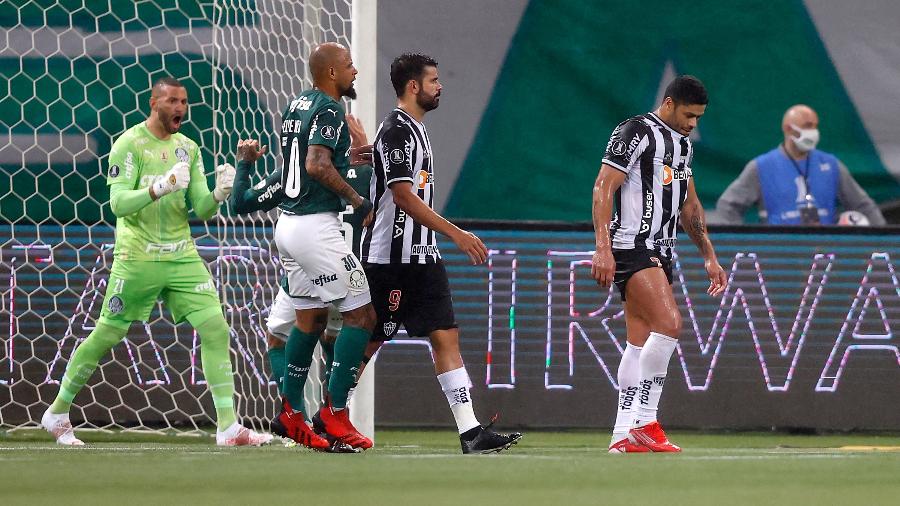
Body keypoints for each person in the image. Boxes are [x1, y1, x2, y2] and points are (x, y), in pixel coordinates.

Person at [40, 77, 272, 446]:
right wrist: (157, 187)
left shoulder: (188, 148)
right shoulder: (129, 144)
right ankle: (56, 411)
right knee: (108, 333)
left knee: (215, 328)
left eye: (184, 101)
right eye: (172, 101)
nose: (180, 107)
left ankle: (228, 427)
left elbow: (200, 208)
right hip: (138, 256)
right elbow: (117, 204)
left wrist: (219, 192)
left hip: (181, 255)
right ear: (154, 103)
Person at [361, 53, 522, 454]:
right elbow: (401, 196)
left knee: (445, 335)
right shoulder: (398, 130)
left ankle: (470, 432)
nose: (440, 85)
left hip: (423, 257)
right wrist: (455, 233)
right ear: (413, 86)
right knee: (369, 340)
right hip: (391, 259)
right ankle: (330, 414)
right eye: (433, 80)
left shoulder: (415, 130)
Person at [592, 75, 727, 453]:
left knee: (638, 341)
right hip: (632, 244)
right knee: (669, 324)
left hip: (662, 250)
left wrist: (709, 256)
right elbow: (604, 186)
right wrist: (602, 247)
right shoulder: (636, 131)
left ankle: (622, 434)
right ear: (668, 104)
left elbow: (691, 207)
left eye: (699, 118)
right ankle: (645, 421)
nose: (693, 124)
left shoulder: (683, 146)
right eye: (688, 114)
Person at [229, 114, 373, 452]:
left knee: (278, 336)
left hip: (309, 268)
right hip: (351, 272)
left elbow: (239, 203)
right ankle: (335, 416)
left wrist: (244, 164)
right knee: (338, 341)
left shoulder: (295, 177)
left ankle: (298, 415)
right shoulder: (369, 175)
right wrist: (364, 149)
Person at [264, 42, 376, 451]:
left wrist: (354, 159)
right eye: (349, 65)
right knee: (361, 314)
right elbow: (316, 164)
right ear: (331, 73)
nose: (355, 72)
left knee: (308, 319)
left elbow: (307, 164)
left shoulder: (296, 104)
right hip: (315, 225)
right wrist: (356, 197)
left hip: (288, 223)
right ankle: (335, 413)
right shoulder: (330, 109)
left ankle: (291, 414)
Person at [714, 104, 885, 225]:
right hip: (779, 256)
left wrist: (883, 242)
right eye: (807, 126)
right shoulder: (761, 167)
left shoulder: (831, 165)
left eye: (815, 126)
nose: (813, 132)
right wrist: (736, 244)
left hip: (826, 255)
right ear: (788, 129)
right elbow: (728, 205)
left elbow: (863, 205)